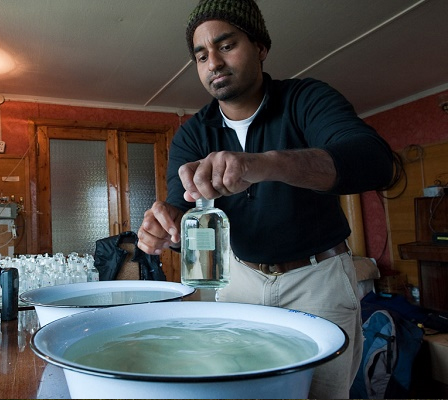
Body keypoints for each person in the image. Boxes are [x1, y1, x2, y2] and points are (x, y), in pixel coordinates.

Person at [137, 0, 396, 398]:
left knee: (321, 393)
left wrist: (265, 164)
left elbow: (374, 161)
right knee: (239, 389)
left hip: (318, 280)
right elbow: (182, 204)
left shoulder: (306, 99)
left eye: (226, 46)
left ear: (260, 47)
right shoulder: (192, 134)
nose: (213, 63)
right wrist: (165, 224)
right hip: (239, 280)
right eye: (201, 55)